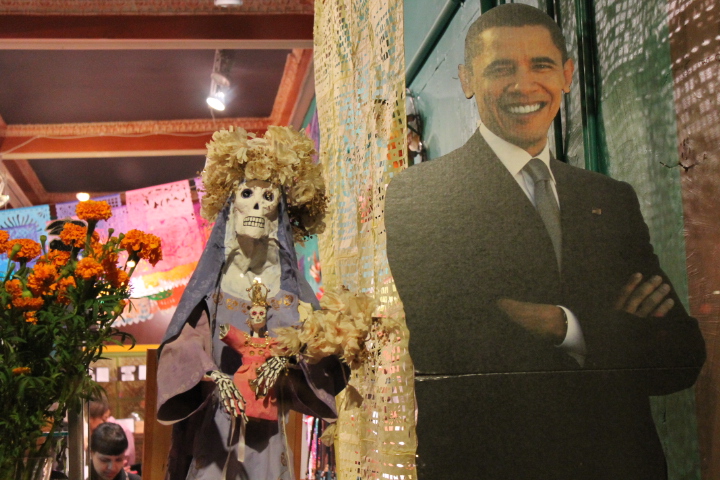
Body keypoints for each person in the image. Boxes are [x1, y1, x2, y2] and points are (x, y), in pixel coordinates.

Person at [384, 4, 706, 479]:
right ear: (467, 79)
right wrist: (614, 330)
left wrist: (561, 325)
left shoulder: (610, 198)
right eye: (501, 69)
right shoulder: (420, 195)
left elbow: (680, 356)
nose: (525, 85)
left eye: (541, 65)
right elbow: (455, 348)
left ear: (567, 75)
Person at [156, 127, 345, 480]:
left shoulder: (289, 293)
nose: (257, 205)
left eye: (268, 196)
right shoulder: (213, 287)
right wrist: (214, 374)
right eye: (247, 193)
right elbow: (186, 341)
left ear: (279, 210)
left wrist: (287, 360)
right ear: (231, 206)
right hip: (215, 420)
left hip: (266, 422)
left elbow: (316, 347)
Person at [88, 397, 136, 469]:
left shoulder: (121, 432)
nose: (106, 422)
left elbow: (128, 464)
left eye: (106, 418)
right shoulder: (84, 432)